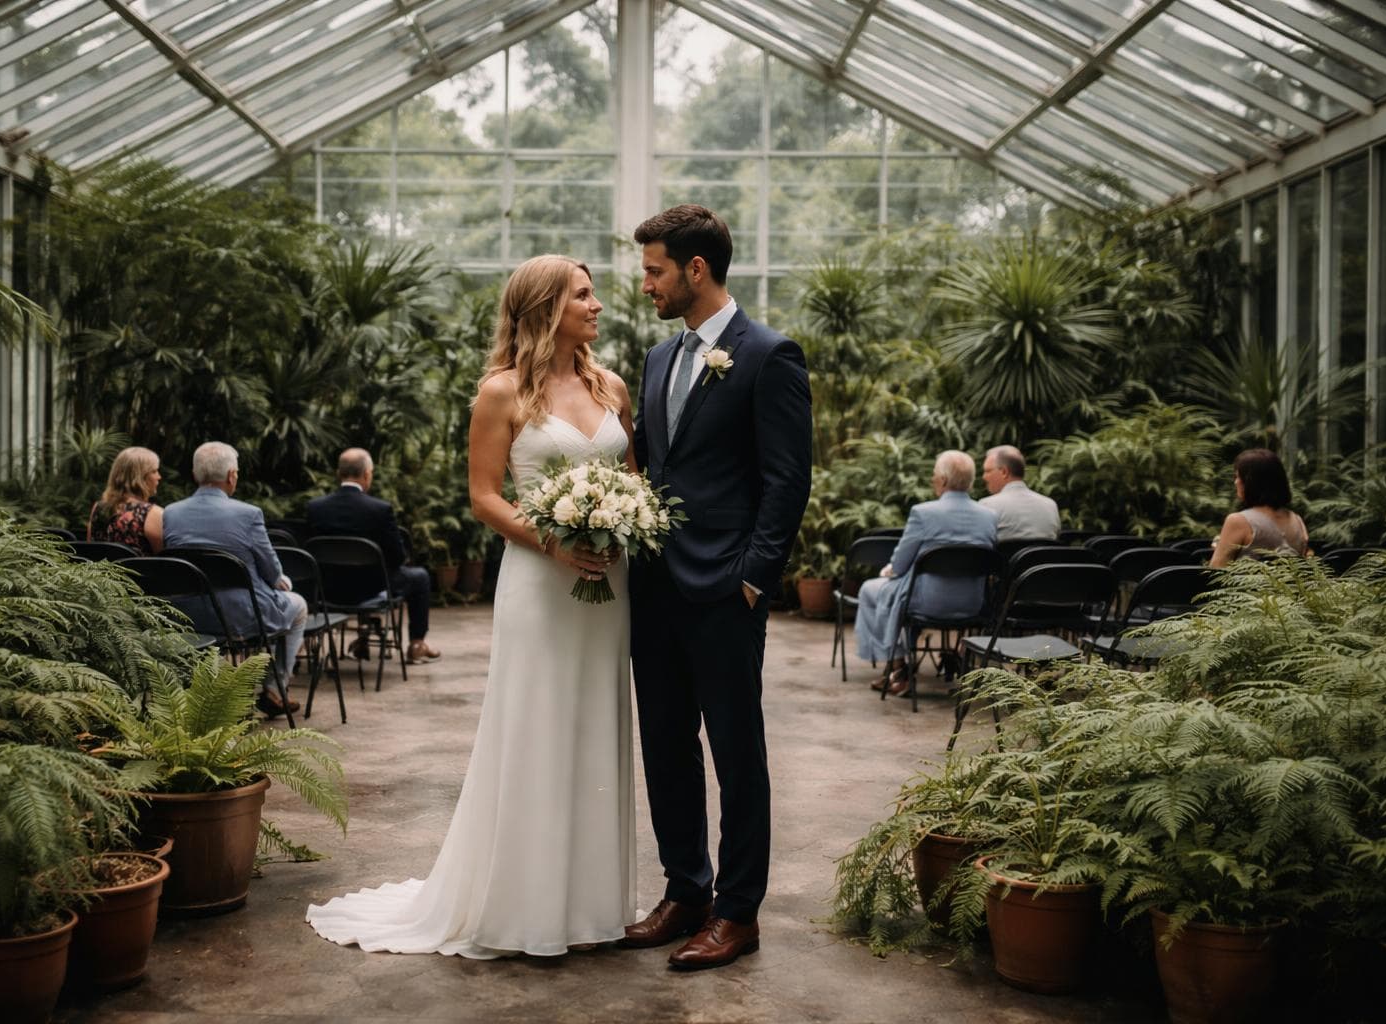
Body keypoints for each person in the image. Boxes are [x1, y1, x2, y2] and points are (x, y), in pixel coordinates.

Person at [306, 254, 634, 957]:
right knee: (538, 725)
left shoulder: (610, 386)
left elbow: (634, 481)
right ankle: (525, 907)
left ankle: (593, 907)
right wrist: (553, 541)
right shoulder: (501, 392)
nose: (597, 305)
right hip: (540, 583)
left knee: (598, 721)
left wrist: (622, 523)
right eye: (583, 294)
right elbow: (485, 495)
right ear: (547, 306)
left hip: (609, 583)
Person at [623, 205, 812, 971]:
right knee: (665, 745)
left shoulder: (770, 355)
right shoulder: (658, 358)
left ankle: (738, 913)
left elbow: (786, 481)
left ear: (696, 270)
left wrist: (753, 580)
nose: (646, 286)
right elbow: (653, 467)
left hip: (725, 591)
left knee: (737, 754)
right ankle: (685, 891)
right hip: (655, 587)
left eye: (654, 270)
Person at [161, 442, 306, 718]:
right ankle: (275, 689)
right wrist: (280, 581)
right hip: (239, 617)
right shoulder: (248, 514)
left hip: (188, 615)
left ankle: (212, 690)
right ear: (231, 476)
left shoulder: (171, 512)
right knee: (298, 606)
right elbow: (273, 574)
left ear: (195, 475)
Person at [854, 450, 997, 696]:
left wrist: (891, 570)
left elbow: (899, 564)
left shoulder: (923, 513)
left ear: (942, 480)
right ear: (971, 482)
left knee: (871, 589)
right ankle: (908, 666)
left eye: (934, 476)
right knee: (898, 591)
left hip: (928, 603)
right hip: (974, 604)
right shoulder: (989, 517)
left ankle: (898, 669)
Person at [305, 448, 440, 665]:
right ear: (367, 474)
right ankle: (416, 645)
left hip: (327, 591)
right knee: (420, 577)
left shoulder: (316, 508)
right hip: (371, 589)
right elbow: (397, 557)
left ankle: (363, 637)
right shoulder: (380, 509)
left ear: (339, 474)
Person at [1210, 448, 1309, 567]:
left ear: (1250, 482)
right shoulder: (1297, 520)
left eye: (1238, 477)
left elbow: (1216, 571)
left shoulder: (1238, 521)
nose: (1236, 482)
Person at [86, 446, 164, 554]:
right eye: (154, 471)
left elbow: (90, 553)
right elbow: (165, 562)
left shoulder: (98, 508)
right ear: (139, 477)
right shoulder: (153, 514)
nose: (159, 477)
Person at [978, 444, 1059, 542]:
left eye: (988, 471)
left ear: (1004, 472)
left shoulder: (987, 506)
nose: (984, 477)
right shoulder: (1050, 505)